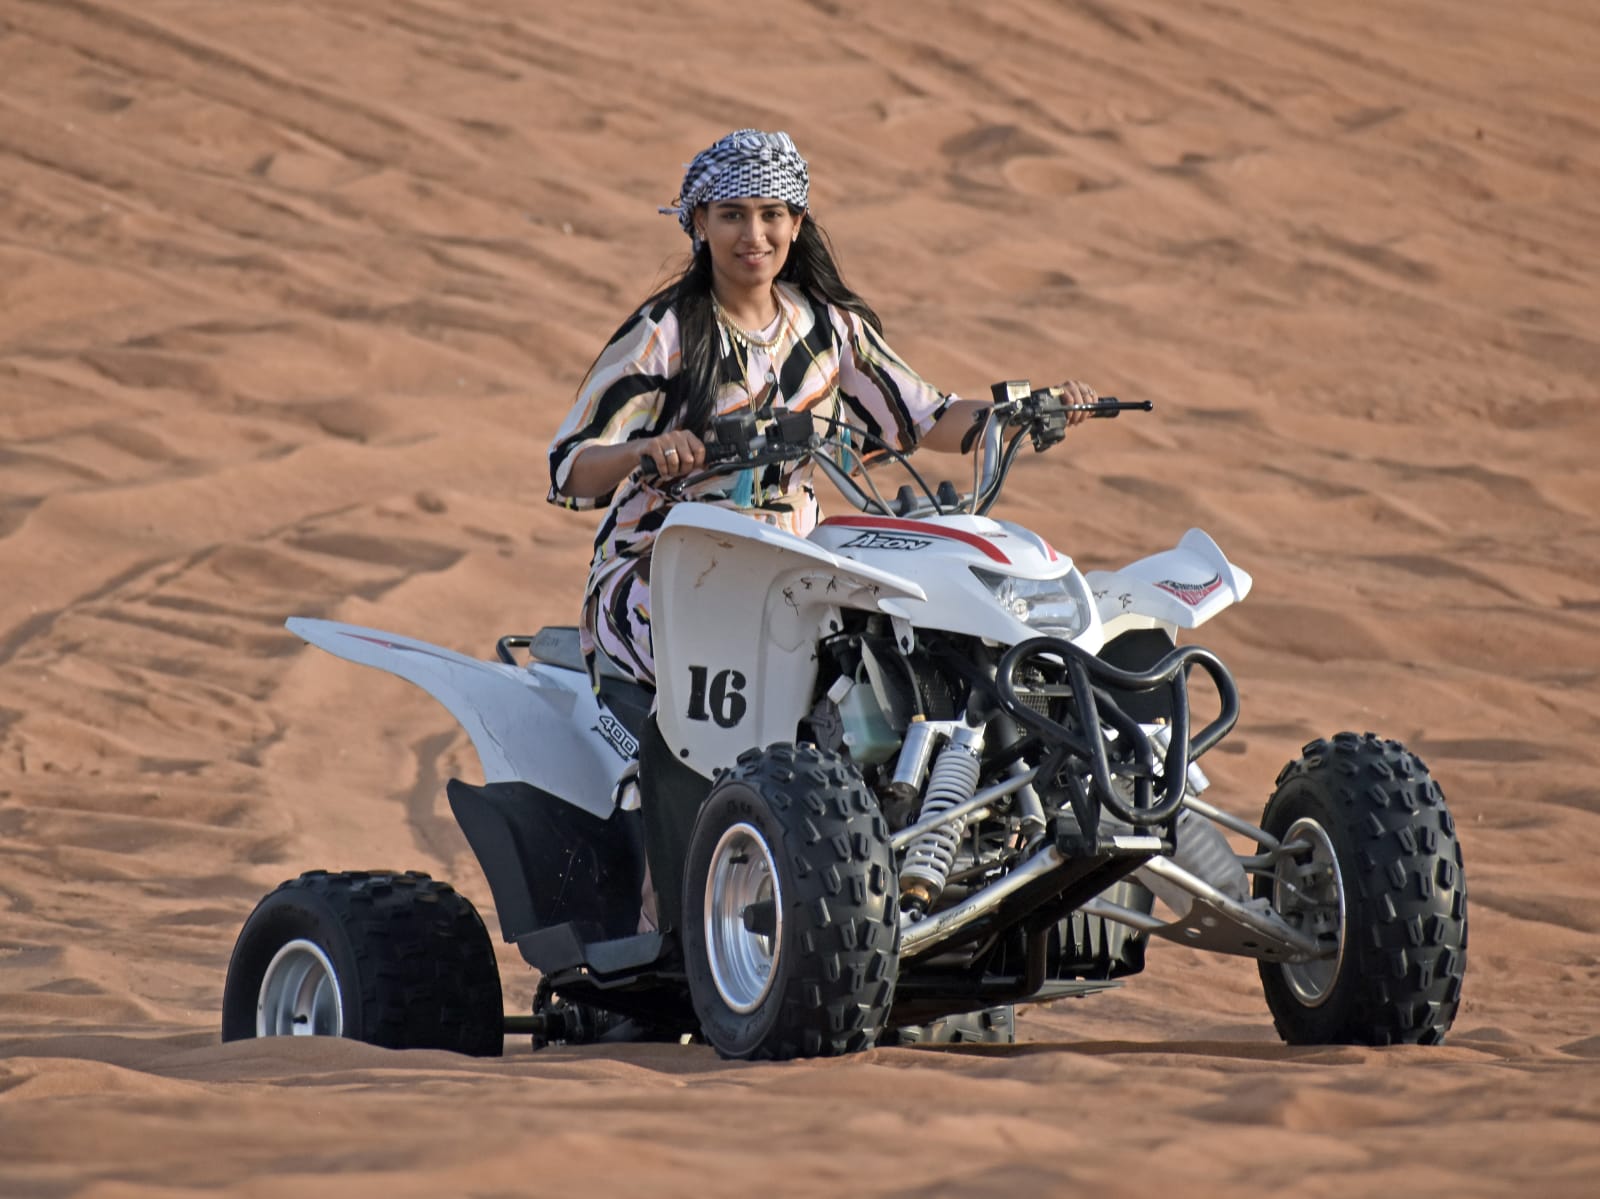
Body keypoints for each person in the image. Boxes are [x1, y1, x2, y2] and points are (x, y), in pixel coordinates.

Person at [549, 128, 1095, 690]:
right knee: (749, 662)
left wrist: (1031, 409)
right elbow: (570, 467)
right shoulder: (661, 334)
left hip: (795, 569)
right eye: (733, 215)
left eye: (771, 215)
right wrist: (644, 448)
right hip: (667, 571)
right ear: (699, 222)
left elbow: (928, 418)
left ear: (797, 224)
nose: (754, 235)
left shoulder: (827, 327)